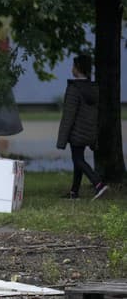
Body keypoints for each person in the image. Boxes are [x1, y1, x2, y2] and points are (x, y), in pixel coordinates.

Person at [56, 54, 108, 200]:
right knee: (77, 159)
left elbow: (69, 116)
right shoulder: (93, 88)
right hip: (89, 131)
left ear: (78, 69)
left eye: (73, 66)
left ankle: (98, 184)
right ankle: (74, 192)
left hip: (77, 132)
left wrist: (62, 139)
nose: (71, 69)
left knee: (78, 159)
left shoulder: (74, 89)